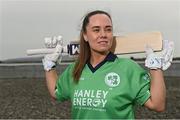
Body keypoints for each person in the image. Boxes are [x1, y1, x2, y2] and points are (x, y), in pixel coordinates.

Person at [42, 10, 174, 119]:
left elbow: (157, 105)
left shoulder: (128, 68)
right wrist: (50, 66)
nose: (103, 35)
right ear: (85, 36)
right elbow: (56, 92)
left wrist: (155, 68)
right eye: (96, 30)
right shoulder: (76, 69)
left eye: (108, 29)